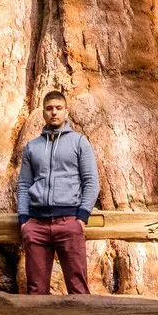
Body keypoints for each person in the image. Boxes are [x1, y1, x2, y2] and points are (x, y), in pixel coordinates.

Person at [16, 88, 100, 295]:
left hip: (69, 223)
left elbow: (91, 182)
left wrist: (81, 217)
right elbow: (24, 185)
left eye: (58, 108)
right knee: (36, 290)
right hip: (36, 225)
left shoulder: (79, 142)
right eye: (49, 108)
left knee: (78, 288)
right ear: (43, 113)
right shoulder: (32, 147)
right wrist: (24, 220)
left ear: (66, 112)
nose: (54, 112)